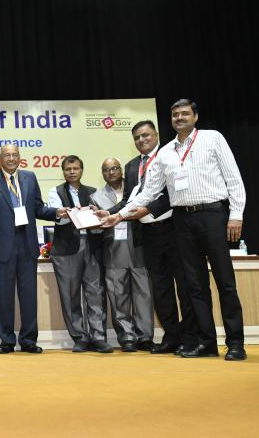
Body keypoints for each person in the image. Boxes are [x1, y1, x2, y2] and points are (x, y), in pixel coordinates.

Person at [102, 99, 247, 361]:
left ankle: (235, 342)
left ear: (195, 116)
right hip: (182, 221)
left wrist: (236, 215)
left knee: (225, 282)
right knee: (195, 286)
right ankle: (206, 343)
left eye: (185, 113)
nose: (180, 118)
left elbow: (234, 179)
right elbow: (148, 191)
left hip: (212, 215)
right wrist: (118, 216)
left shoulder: (212, 138)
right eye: (175, 115)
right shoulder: (166, 152)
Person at [100, 120, 196, 355]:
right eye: (137, 137)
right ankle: (171, 337)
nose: (141, 140)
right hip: (148, 235)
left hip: (174, 230)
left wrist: (147, 210)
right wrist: (110, 214)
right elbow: (130, 200)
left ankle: (190, 337)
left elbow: (173, 193)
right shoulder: (132, 166)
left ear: (156, 135)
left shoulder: (170, 156)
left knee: (184, 286)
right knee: (161, 289)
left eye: (146, 135)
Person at [0, 145, 65, 354]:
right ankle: (7, 340)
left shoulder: (29, 177)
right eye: (7, 155)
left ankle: (28, 340)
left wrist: (57, 212)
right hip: (2, 245)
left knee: (29, 296)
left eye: (15, 155)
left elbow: (38, 208)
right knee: (3, 295)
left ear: (19, 158)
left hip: (27, 244)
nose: (11, 158)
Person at [48, 155, 112, 353]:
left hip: (92, 245)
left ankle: (98, 337)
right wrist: (69, 213)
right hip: (66, 249)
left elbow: (102, 222)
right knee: (70, 294)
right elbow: (59, 219)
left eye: (75, 168)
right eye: (68, 169)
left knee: (95, 292)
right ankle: (80, 336)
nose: (72, 172)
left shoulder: (93, 192)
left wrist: (94, 213)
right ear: (63, 172)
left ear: (82, 170)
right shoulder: (55, 192)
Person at [91, 157, 153, 352]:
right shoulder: (96, 197)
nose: (111, 172)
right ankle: (127, 337)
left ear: (122, 170)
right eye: (106, 170)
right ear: (102, 174)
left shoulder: (137, 189)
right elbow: (95, 228)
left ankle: (145, 337)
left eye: (115, 168)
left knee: (143, 294)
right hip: (113, 250)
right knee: (119, 296)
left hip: (138, 247)